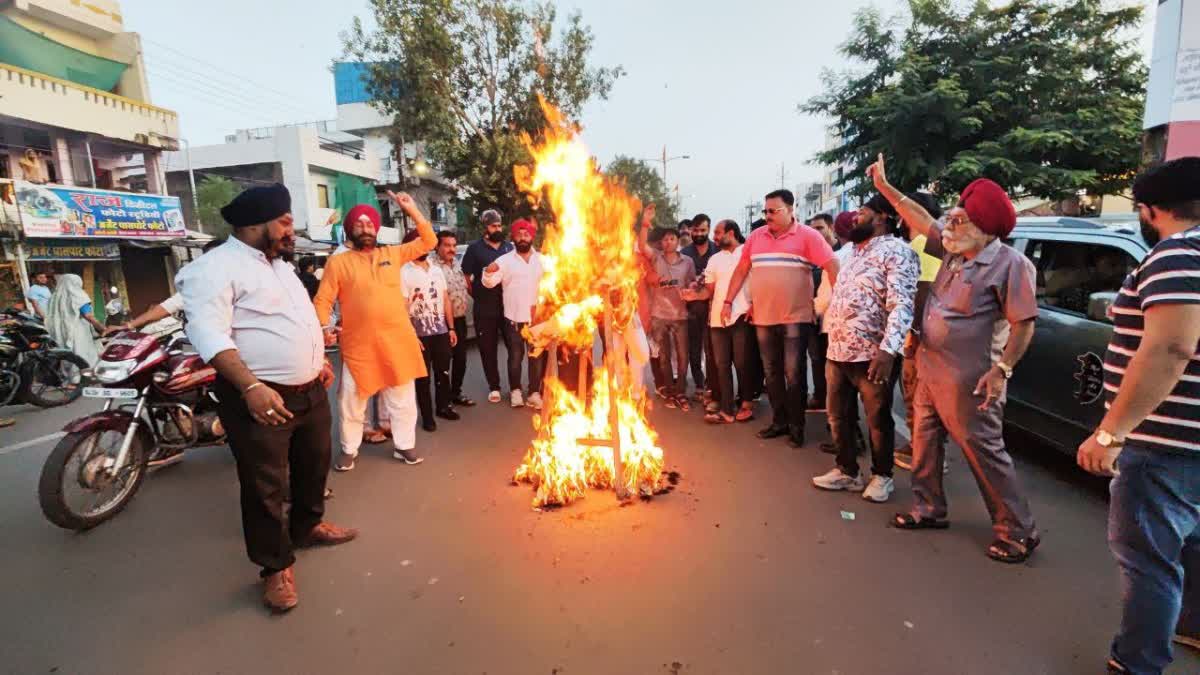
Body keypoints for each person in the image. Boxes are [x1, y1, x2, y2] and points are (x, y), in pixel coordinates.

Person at [177, 183, 353, 613]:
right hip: (261, 398)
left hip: (310, 391)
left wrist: (316, 361)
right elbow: (208, 334)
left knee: (313, 465)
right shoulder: (215, 268)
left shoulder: (280, 265)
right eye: (286, 221)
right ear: (256, 224)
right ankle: (275, 568)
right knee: (265, 486)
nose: (292, 230)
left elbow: (295, 321)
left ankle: (307, 526)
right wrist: (251, 387)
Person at [869, 155, 1040, 564]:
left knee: (985, 452)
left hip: (970, 378)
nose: (949, 227)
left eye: (959, 221)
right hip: (929, 366)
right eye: (951, 220)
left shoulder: (1009, 264)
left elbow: (1024, 325)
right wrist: (885, 187)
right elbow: (918, 217)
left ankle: (1018, 530)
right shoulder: (952, 250)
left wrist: (1002, 370)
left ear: (984, 227)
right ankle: (928, 508)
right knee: (924, 442)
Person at [1073, 157, 1200, 675]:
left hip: (1165, 442)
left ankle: (1138, 662)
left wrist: (1111, 432)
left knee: (1149, 560)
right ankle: (1190, 626)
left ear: (1150, 210)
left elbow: (1170, 346)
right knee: (1190, 546)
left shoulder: (1175, 255)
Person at [314, 196, 438, 470]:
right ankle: (349, 449)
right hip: (359, 344)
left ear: (377, 229)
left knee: (403, 398)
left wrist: (412, 209)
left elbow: (429, 242)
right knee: (351, 399)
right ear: (350, 230)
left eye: (370, 223)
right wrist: (324, 327)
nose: (365, 227)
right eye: (358, 223)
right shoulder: (338, 263)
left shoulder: (392, 254)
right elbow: (322, 300)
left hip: (398, 341)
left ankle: (404, 445)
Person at [811, 195, 919, 503]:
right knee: (838, 416)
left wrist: (888, 350)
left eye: (863, 213)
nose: (856, 218)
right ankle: (847, 471)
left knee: (877, 419)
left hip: (873, 354)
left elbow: (902, 304)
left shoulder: (899, 252)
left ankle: (882, 476)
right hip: (839, 350)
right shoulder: (851, 252)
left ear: (883, 217)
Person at [721, 189, 838, 448]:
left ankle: (797, 427)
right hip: (763, 318)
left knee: (794, 374)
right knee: (772, 373)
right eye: (766, 211)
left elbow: (832, 264)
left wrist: (837, 299)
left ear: (791, 210)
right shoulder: (756, 237)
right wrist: (728, 301)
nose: (768, 215)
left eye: (774, 211)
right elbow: (742, 270)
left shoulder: (809, 237)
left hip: (796, 318)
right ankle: (780, 421)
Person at [894, 193, 945, 470]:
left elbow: (923, 291)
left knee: (917, 395)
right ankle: (921, 448)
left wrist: (913, 332)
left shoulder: (924, 244)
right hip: (923, 333)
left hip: (922, 336)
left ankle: (925, 453)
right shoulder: (921, 244)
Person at [691, 219, 756, 424]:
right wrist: (692, 295)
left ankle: (746, 402)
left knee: (742, 363)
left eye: (718, 233)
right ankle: (727, 409)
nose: (715, 237)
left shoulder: (748, 252)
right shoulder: (715, 259)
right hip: (718, 319)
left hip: (741, 315)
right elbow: (708, 291)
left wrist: (755, 305)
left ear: (731, 232)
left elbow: (759, 281)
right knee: (722, 365)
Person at [482, 218, 545, 410]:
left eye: (526, 234)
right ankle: (515, 391)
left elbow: (557, 280)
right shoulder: (505, 260)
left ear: (532, 237)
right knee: (515, 358)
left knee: (536, 358)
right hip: (513, 320)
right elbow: (489, 283)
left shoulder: (542, 259)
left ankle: (534, 393)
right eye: (519, 234)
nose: (523, 237)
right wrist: (487, 272)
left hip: (537, 320)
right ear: (514, 237)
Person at [639, 204, 697, 410]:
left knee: (682, 357)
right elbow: (641, 244)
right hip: (659, 316)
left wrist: (690, 289)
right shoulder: (655, 258)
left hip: (680, 315)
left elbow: (693, 282)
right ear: (661, 243)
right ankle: (670, 392)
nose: (668, 241)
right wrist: (645, 222)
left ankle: (681, 392)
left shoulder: (688, 262)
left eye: (672, 238)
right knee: (663, 357)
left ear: (677, 241)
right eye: (664, 239)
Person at [104, 239, 227, 337]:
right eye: (210, 258)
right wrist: (128, 326)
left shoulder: (243, 281)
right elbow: (165, 308)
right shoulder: (199, 287)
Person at [401, 228, 458, 431]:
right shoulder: (404, 271)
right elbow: (403, 306)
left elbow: (445, 299)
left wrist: (451, 328)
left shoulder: (435, 269)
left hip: (441, 331)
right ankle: (427, 416)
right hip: (419, 334)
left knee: (443, 371)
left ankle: (444, 407)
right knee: (422, 377)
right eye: (418, 242)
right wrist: (410, 335)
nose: (423, 246)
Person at [461, 210, 514, 404]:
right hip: (485, 310)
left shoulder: (509, 248)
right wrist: (477, 294)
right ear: (485, 228)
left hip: (509, 308)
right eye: (493, 226)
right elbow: (466, 276)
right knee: (488, 349)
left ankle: (515, 387)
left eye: (499, 225)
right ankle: (495, 387)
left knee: (514, 348)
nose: (498, 228)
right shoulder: (475, 249)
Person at [431, 230, 475, 408]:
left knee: (460, 360)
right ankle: (444, 401)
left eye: (453, 245)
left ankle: (456, 393)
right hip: (442, 322)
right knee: (443, 363)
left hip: (460, 319)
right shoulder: (432, 266)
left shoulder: (456, 263)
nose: (451, 249)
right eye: (447, 245)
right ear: (437, 246)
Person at [681, 213, 716, 403]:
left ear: (708, 230)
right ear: (690, 231)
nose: (699, 233)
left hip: (713, 310)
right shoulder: (685, 254)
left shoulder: (717, 251)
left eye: (703, 230)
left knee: (712, 350)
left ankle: (712, 386)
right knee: (694, 350)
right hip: (692, 310)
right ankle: (700, 385)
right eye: (695, 230)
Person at [807, 213, 837, 411]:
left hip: (834, 318)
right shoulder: (810, 255)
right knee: (816, 358)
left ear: (831, 228)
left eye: (820, 228)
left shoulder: (841, 253)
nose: (815, 233)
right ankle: (820, 396)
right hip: (812, 315)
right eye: (813, 229)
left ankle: (834, 404)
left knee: (834, 365)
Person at [44, 274, 104, 366]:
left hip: (61, 333)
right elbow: (88, 315)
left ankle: (71, 378)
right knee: (83, 358)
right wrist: (103, 329)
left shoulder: (54, 298)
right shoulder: (77, 294)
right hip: (79, 334)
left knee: (68, 360)